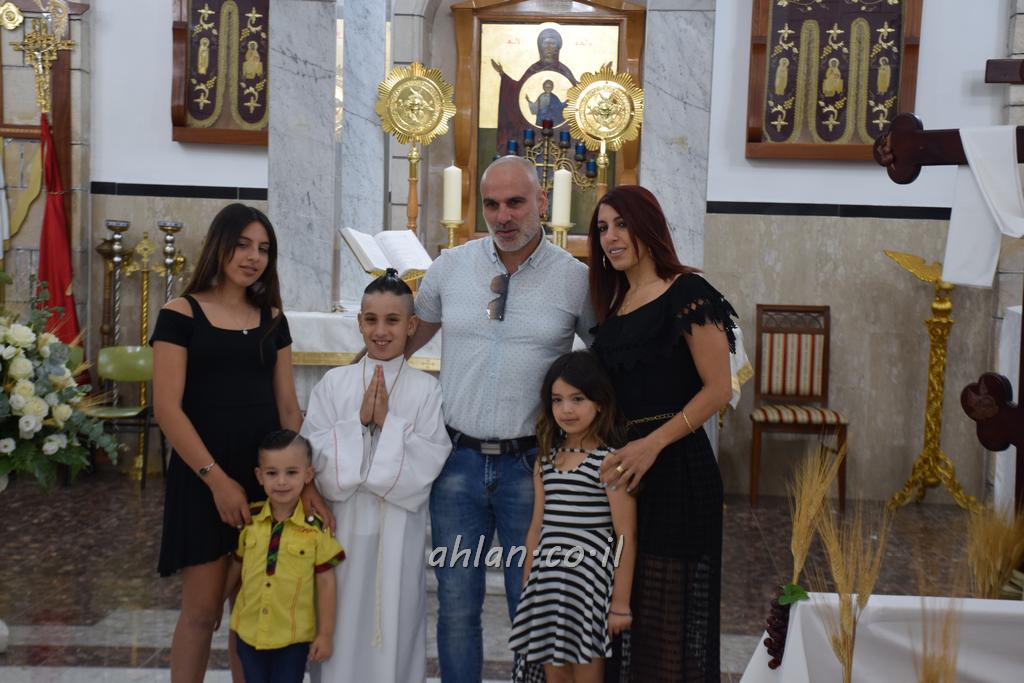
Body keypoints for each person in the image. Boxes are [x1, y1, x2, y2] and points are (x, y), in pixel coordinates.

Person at [410, 154, 594, 682]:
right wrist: (350, 383)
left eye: (515, 202)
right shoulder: (451, 267)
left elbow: (606, 365)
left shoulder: (575, 280)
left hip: (531, 468)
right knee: (456, 607)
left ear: (542, 202)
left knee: (529, 604)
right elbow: (401, 340)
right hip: (456, 465)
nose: (503, 216)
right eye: (491, 204)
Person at [152, 202, 333, 682]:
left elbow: (289, 408)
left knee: (252, 614)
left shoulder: (272, 318)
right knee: (202, 612)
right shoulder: (180, 314)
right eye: (243, 245)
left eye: (264, 249)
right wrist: (217, 481)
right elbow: (167, 408)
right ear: (220, 245)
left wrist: (304, 484)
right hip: (205, 479)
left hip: (265, 479)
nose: (254, 257)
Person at [587, 186, 736, 682]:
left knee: (667, 621)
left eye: (621, 224)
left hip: (677, 472)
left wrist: (652, 444)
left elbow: (719, 389)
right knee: (627, 616)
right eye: (602, 228)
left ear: (648, 227)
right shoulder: (615, 306)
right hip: (626, 475)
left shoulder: (687, 292)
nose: (611, 237)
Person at [301, 269, 451, 683]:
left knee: (394, 621)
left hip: (398, 529)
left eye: (392, 320)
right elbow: (311, 452)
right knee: (340, 619)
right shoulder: (334, 383)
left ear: (412, 325)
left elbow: (430, 459)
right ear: (359, 322)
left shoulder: (426, 390)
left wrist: (387, 422)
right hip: (342, 525)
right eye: (371, 319)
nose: (381, 331)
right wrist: (357, 425)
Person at [509, 350, 636, 683]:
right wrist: (529, 583)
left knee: (586, 674)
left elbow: (625, 535)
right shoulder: (546, 459)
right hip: (547, 587)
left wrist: (620, 603)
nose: (566, 409)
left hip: (588, 589)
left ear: (600, 403)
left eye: (577, 399)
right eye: (557, 400)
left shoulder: (610, 462)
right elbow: (537, 527)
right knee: (556, 676)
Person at [223, 430, 344, 682]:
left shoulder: (316, 528)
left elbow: (326, 582)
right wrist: (216, 605)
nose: (281, 482)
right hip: (249, 632)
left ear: (308, 475)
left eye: (291, 472)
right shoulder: (250, 520)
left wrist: (325, 634)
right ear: (259, 476)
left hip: (292, 638)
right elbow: (236, 565)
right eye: (272, 473)